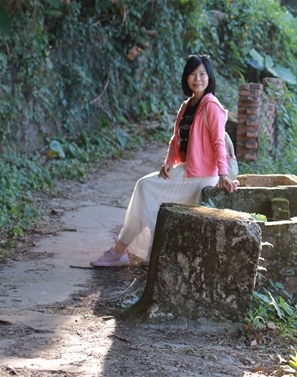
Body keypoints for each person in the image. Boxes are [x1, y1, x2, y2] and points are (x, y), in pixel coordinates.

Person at [91, 54, 237, 267]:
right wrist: (169, 161)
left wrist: (223, 174)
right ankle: (121, 251)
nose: (197, 79)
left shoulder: (211, 105)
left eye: (202, 74)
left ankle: (121, 251)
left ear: (209, 77)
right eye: (193, 74)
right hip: (187, 171)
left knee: (145, 188)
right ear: (186, 78)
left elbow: (218, 142)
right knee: (145, 191)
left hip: (203, 175)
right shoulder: (187, 105)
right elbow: (175, 139)